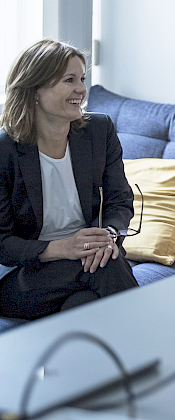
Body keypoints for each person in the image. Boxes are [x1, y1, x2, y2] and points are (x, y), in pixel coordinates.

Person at [0, 40, 138, 320]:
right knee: (107, 266)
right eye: (69, 80)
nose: (81, 89)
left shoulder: (99, 131)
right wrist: (63, 248)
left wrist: (107, 236)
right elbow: (3, 242)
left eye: (82, 79)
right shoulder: (5, 151)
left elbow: (120, 201)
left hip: (89, 261)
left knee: (82, 303)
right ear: (34, 90)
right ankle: (157, 338)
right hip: (26, 275)